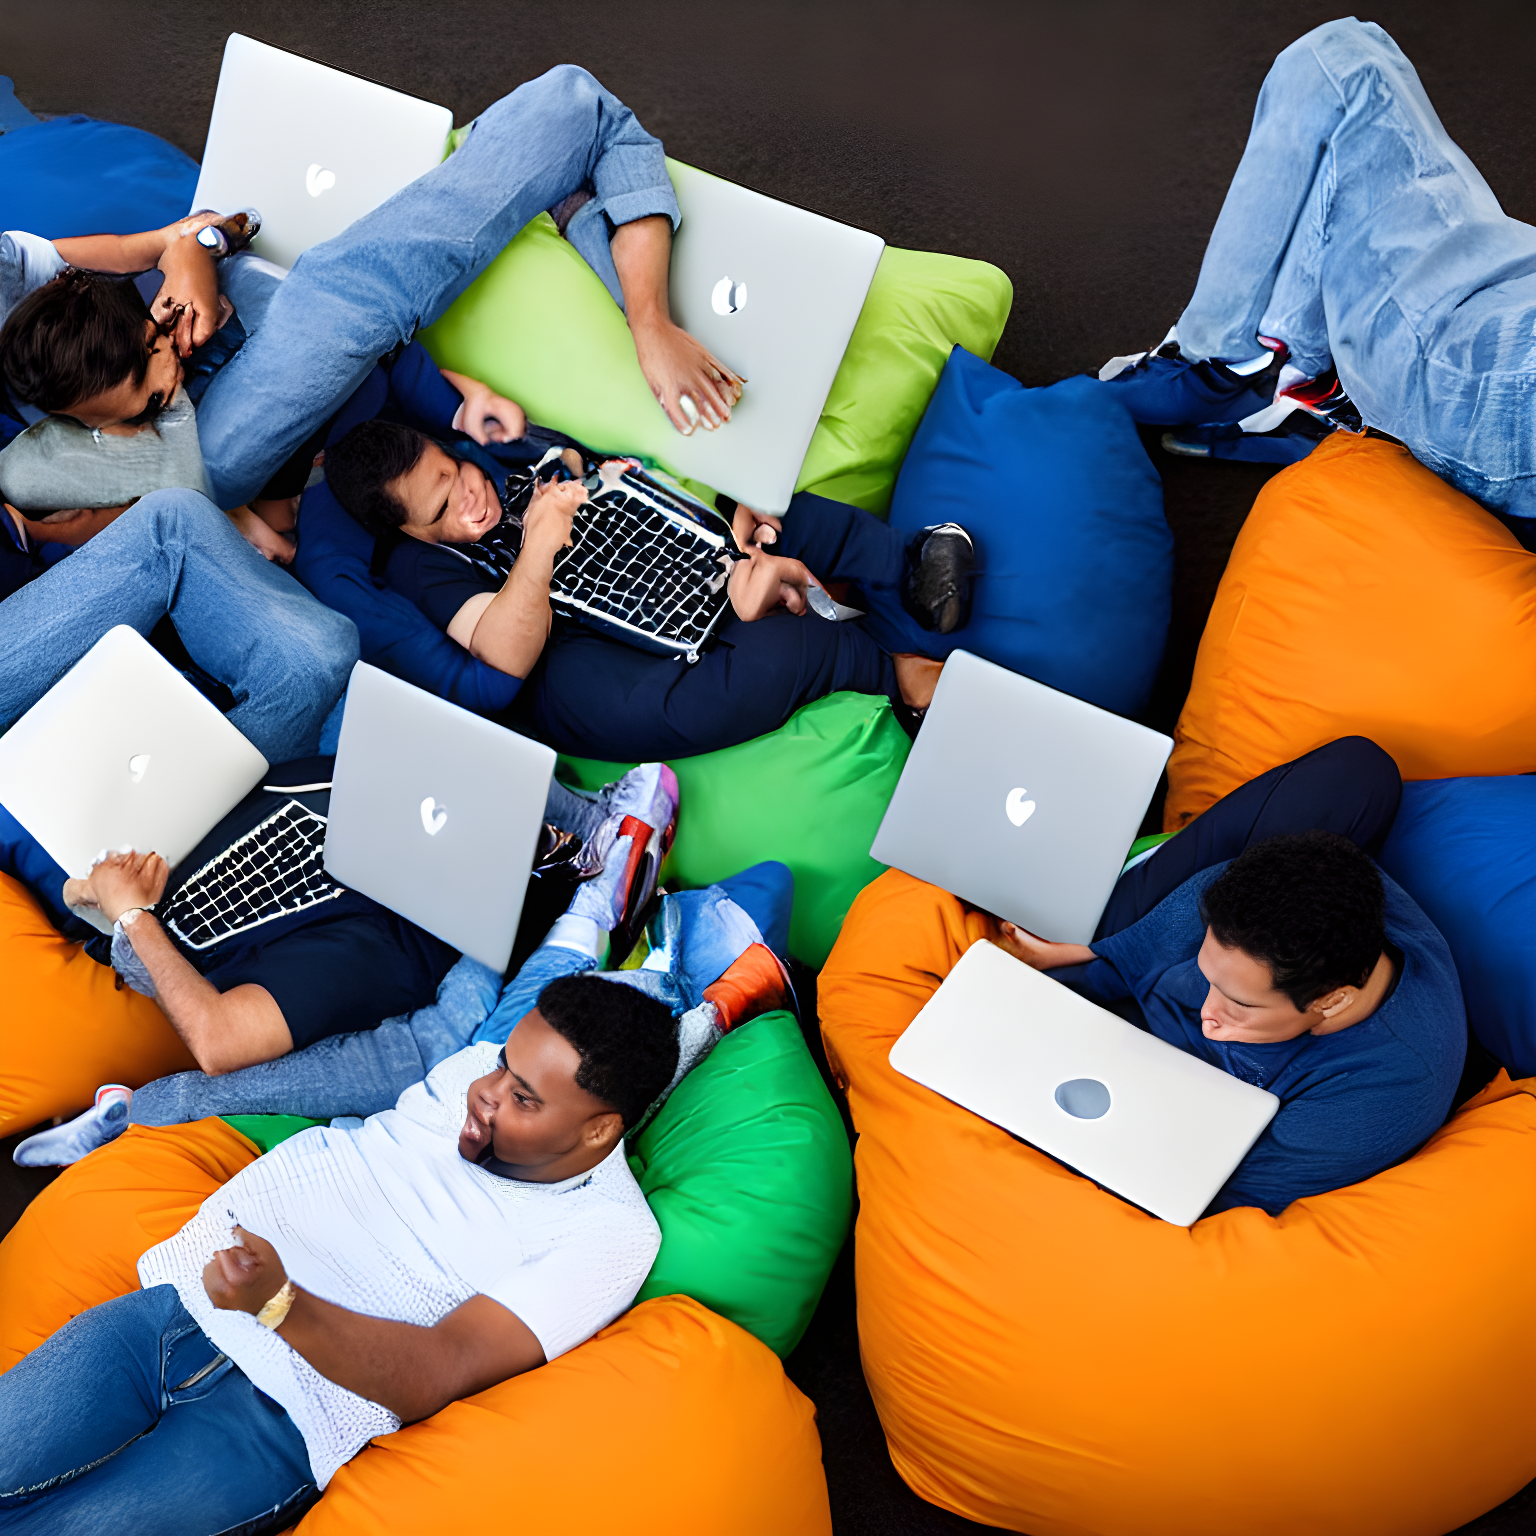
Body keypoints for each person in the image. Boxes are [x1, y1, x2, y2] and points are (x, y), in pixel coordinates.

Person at [0, 970, 683, 1531]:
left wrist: (278, 1305)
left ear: (599, 1133)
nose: (484, 1094)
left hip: (275, 1427)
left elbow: (446, 1369)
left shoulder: (608, 1234)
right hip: (169, 1313)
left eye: (524, 1100)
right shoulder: (474, 1071)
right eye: (503, 1065)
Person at [0, 65, 745, 519]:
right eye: (140, 410)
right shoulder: (47, 459)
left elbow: (190, 234)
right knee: (334, 305)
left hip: (212, 316)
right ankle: (572, 197)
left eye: (153, 390)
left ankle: (578, 210)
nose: (157, 401)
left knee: (569, 110)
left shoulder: (62, 286)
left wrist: (192, 248)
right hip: (200, 460)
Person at [10, 760, 678, 1156]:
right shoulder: (381, 829)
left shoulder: (387, 947)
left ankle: (593, 886)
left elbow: (219, 1041)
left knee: (435, 1046)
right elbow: (217, 1037)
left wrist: (122, 909)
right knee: (432, 1046)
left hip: (429, 939)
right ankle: (593, 885)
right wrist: (109, 902)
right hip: (398, 913)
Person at [322, 414, 978, 758]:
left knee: (770, 510)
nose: (469, 502)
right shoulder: (417, 568)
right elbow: (502, 652)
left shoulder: (491, 454)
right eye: (441, 513)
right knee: (706, 688)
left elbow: (593, 463)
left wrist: (723, 525)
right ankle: (894, 670)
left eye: (454, 475)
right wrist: (540, 546)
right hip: (582, 653)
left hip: (659, 561)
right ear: (409, 532)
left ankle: (910, 565)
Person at [994, 737, 1465, 1215]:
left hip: (1170, 1122)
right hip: (1120, 1046)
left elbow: (1197, 1190)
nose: (1207, 1013)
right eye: (1208, 976)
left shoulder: (1371, 1101)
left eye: (1239, 1005)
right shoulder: (1244, 909)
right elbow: (1131, 961)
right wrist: (1072, 969)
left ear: (1333, 1001)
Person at [1098, 17, 1536, 510]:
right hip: (1509, 288)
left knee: (1338, 64)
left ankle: (1231, 365)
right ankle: (1299, 374)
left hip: (1476, 363)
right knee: (1353, 65)